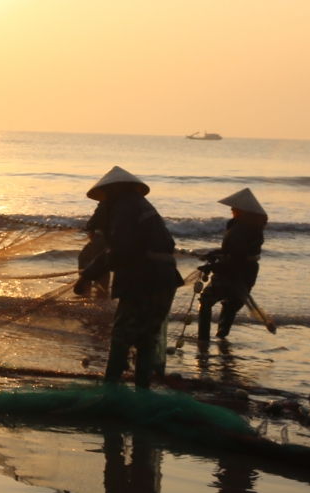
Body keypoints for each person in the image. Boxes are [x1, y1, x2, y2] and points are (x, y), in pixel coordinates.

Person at [75, 166, 184, 389]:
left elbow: (120, 250)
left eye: (105, 195)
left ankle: (111, 389)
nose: (102, 200)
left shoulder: (124, 208)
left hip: (144, 279)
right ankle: (142, 390)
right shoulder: (138, 205)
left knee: (122, 336)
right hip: (165, 278)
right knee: (147, 339)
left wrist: (87, 275)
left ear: (114, 189)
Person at [197, 188, 267, 341]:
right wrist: (216, 253)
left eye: (235, 207)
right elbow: (239, 253)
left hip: (232, 272)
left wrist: (212, 266)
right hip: (248, 272)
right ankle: (222, 336)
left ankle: (203, 339)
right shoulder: (255, 227)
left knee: (206, 300)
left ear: (242, 210)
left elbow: (235, 259)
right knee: (231, 304)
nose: (232, 209)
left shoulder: (240, 228)